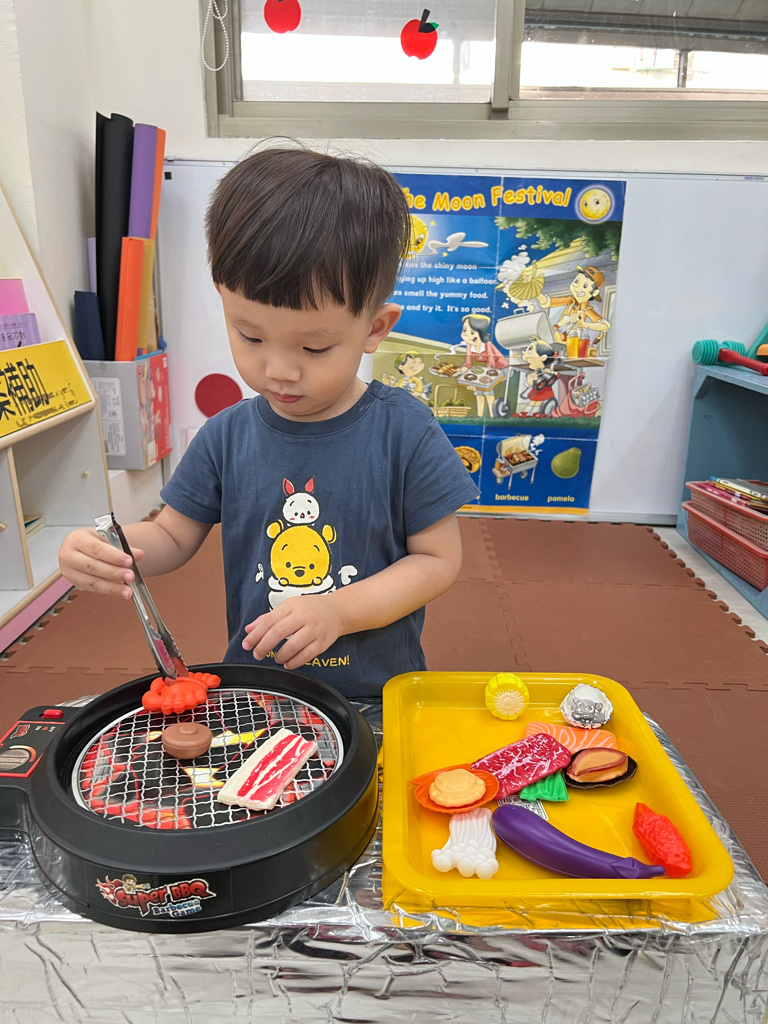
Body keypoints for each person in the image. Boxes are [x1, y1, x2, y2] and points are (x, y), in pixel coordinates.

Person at [58, 147, 478, 699]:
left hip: (376, 694)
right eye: (250, 336)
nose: (278, 370)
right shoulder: (226, 437)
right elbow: (169, 536)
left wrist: (339, 610)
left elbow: (437, 560)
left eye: (314, 346)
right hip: (256, 690)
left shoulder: (404, 432)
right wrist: (110, 549)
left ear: (375, 328)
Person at [458, 314, 508, 418]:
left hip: (502, 369)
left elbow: (491, 363)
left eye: (472, 332)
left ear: (481, 332)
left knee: (487, 390)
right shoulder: (469, 345)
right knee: (478, 391)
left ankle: (493, 416)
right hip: (487, 371)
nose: (467, 335)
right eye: (465, 330)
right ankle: (480, 416)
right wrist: (461, 372)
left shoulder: (487, 345)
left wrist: (480, 381)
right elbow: (468, 363)